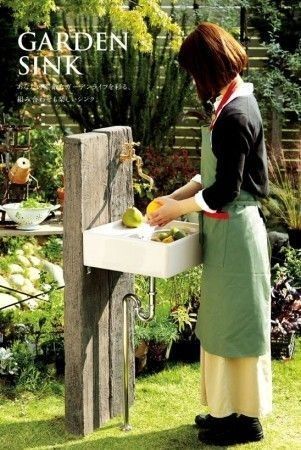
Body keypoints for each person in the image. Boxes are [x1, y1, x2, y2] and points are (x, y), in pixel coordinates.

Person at [147, 22, 272, 446]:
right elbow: (213, 170)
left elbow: (224, 190)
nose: (192, 81)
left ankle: (246, 420)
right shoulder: (229, 103)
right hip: (226, 233)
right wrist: (176, 194)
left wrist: (177, 210)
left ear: (207, 67)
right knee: (220, 328)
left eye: (193, 72)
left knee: (237, 330)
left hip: (236, 232)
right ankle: (223, 411)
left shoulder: (236, 113)